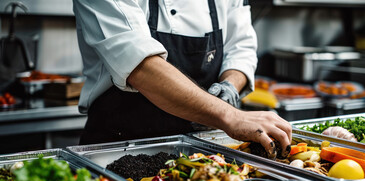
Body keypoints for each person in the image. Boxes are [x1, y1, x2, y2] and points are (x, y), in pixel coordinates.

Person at [73, 0, 292, 157]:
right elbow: (139, 64)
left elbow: (241, 46)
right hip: (118, 151)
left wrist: (229, 87)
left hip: (204, 152)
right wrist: (229, 115)